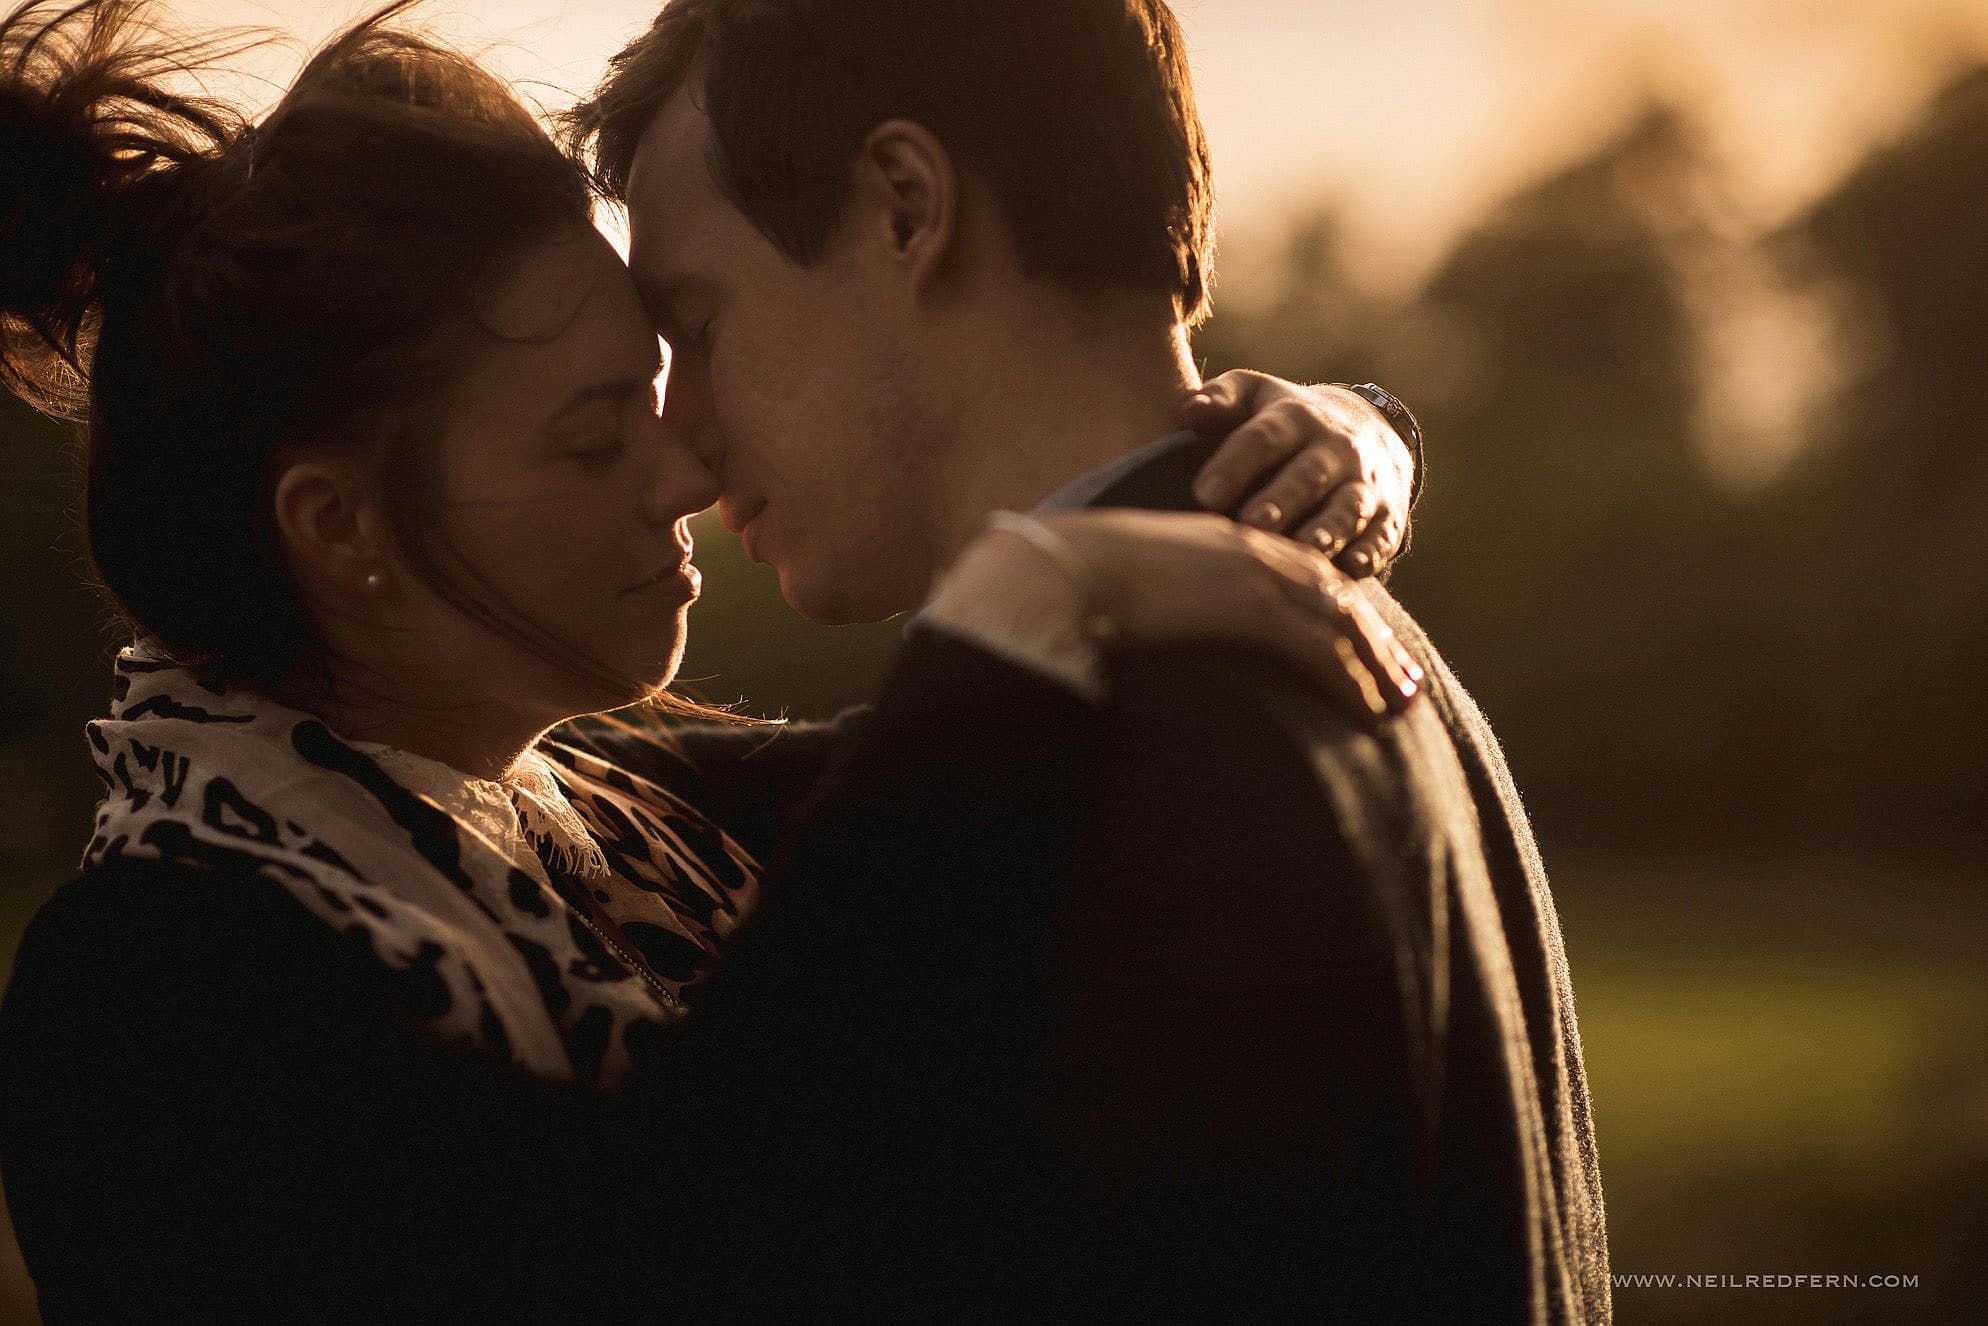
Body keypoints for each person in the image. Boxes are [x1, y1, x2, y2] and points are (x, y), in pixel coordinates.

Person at [0, 1, 1424, 1320]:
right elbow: (672, 1243)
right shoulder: (144, 1003)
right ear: (334, 524)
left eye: (672, 369)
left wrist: (1338, 432)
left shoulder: (631, 821)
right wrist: (1028, 603)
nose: (685, 464)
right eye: (592, 432)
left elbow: (962, 782)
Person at [564, 0, 1611, 1320]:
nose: (686, 432)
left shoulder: (1149, 752)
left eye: (699, 325)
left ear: (903, 206)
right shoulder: (1329, 656)